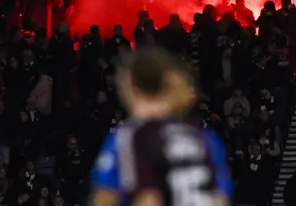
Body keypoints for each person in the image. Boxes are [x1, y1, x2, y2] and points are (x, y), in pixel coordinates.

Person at [90, 48, 232, 206]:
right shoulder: (204, 137)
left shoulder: (131, 137)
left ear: (130, 85)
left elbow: (145, 198)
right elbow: (220, 199)